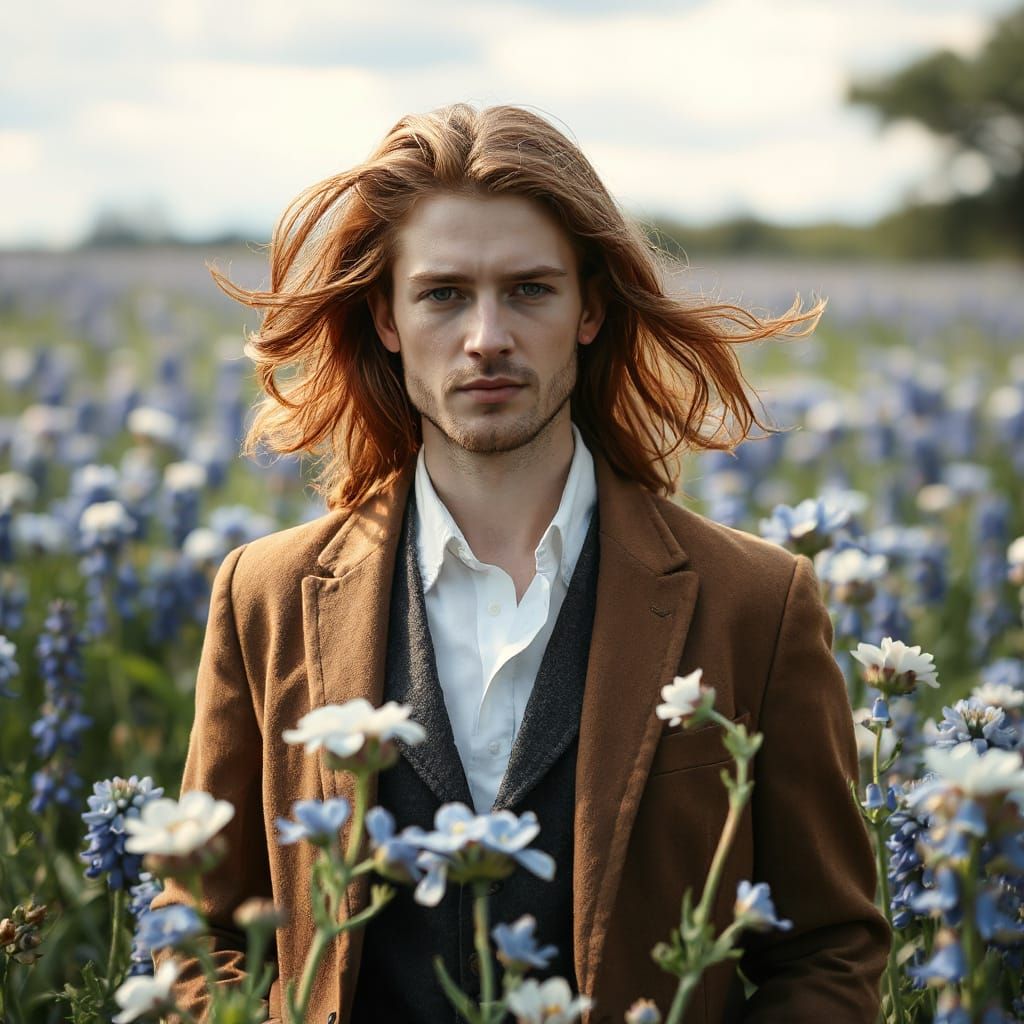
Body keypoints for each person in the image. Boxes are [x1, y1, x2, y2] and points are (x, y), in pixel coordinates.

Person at [152, 103, 889, 1023]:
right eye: (444, 293)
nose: (487, 337)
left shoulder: (757, 602)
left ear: (590, 310)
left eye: (531, 290)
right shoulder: (263, 594)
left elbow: (828, 949)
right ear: (385, 316)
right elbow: (199, 932)